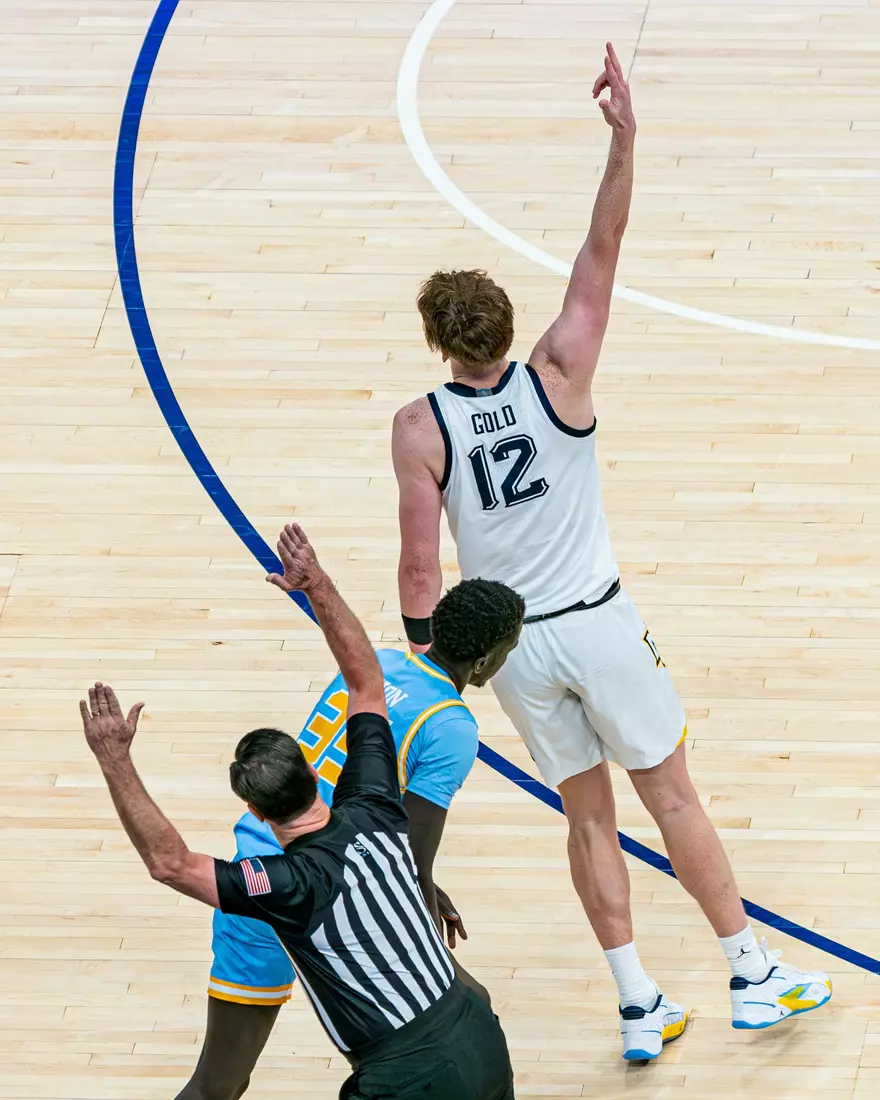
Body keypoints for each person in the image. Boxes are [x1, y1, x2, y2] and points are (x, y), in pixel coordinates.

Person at [391, 42, 832, 1062]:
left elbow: (421, 574)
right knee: (669, 792)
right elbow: (603, 246)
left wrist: (431, 662)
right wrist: (624, 139)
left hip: (509, 652)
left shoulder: (421, 426)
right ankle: (752, 974)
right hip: (595, 618)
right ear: (509, 325)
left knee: (586, 816)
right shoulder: (559, 368)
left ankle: (637, 1003)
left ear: (439, 342)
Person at [81, 524, 516, 1100]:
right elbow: (408, 854)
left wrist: (113, 758)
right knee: (456, 1008)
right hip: (327, 881)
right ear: (486, 662)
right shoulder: (435, 743)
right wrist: (419, 893)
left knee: (220, 1083)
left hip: (256, 877)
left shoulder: (384, 666)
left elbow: (363, 680)